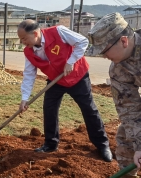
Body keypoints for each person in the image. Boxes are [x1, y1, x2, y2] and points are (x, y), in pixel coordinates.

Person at [17, 19, 112, 162]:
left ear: (35, 33)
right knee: (49, 108)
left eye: (24, 38)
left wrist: (71, 61)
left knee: (89, 109)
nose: (22, 42)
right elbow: (29, 75)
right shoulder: (29, 52)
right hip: (56, 80)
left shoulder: (58, 32)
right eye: (20, 39)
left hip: (77, 75)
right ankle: (50, 143)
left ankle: (102, 145)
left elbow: (82, 41)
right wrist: (24, 98)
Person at [87, 12, 141, 178]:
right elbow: (129, 109)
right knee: (126, 135)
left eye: (105, 49)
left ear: (123, 41)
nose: (103, 54)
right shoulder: (118, 70)